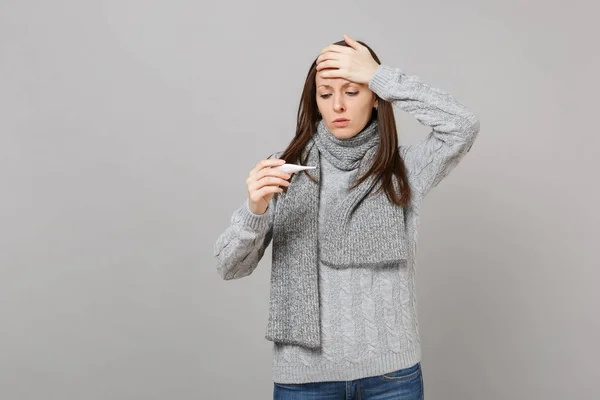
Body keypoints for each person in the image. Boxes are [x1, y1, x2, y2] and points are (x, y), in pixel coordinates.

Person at [213, 34, 480, 400]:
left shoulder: (404, 169)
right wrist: (254, 210)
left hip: (391, 378)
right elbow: (230, 267)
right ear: (315, 102)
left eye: (353, 91)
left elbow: (463, 126)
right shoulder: (287, 171)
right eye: (325, 94)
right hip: (303, 381)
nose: (337, 104)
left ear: (374, 99)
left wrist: (380, 76)